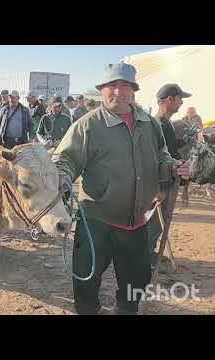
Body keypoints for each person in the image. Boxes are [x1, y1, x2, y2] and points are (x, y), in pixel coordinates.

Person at [52, 62, 191, 315]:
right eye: (112, 86)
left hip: (137, 220)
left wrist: (172, 167)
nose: (118, 92)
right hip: (97, 220)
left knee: (136, 281)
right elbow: (66, 160)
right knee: (86, 280)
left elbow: (161, 156)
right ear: (102, 90)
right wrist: (61, 178)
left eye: (124, 86)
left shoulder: (149, 123)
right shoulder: (88, 125)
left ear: (133, 90)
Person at [150, 84, 193, 260]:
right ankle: (146, 257)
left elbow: (169, 149)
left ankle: (150, 253)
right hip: (163, 183)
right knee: (154, 223)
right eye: (180, 98)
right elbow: (154, 157)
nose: (182, 102)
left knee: (159, 223)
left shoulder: (166, 123)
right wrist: (159, 187)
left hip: (169, 180)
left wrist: (185, 141)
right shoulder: (158, 123)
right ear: (170, 99)